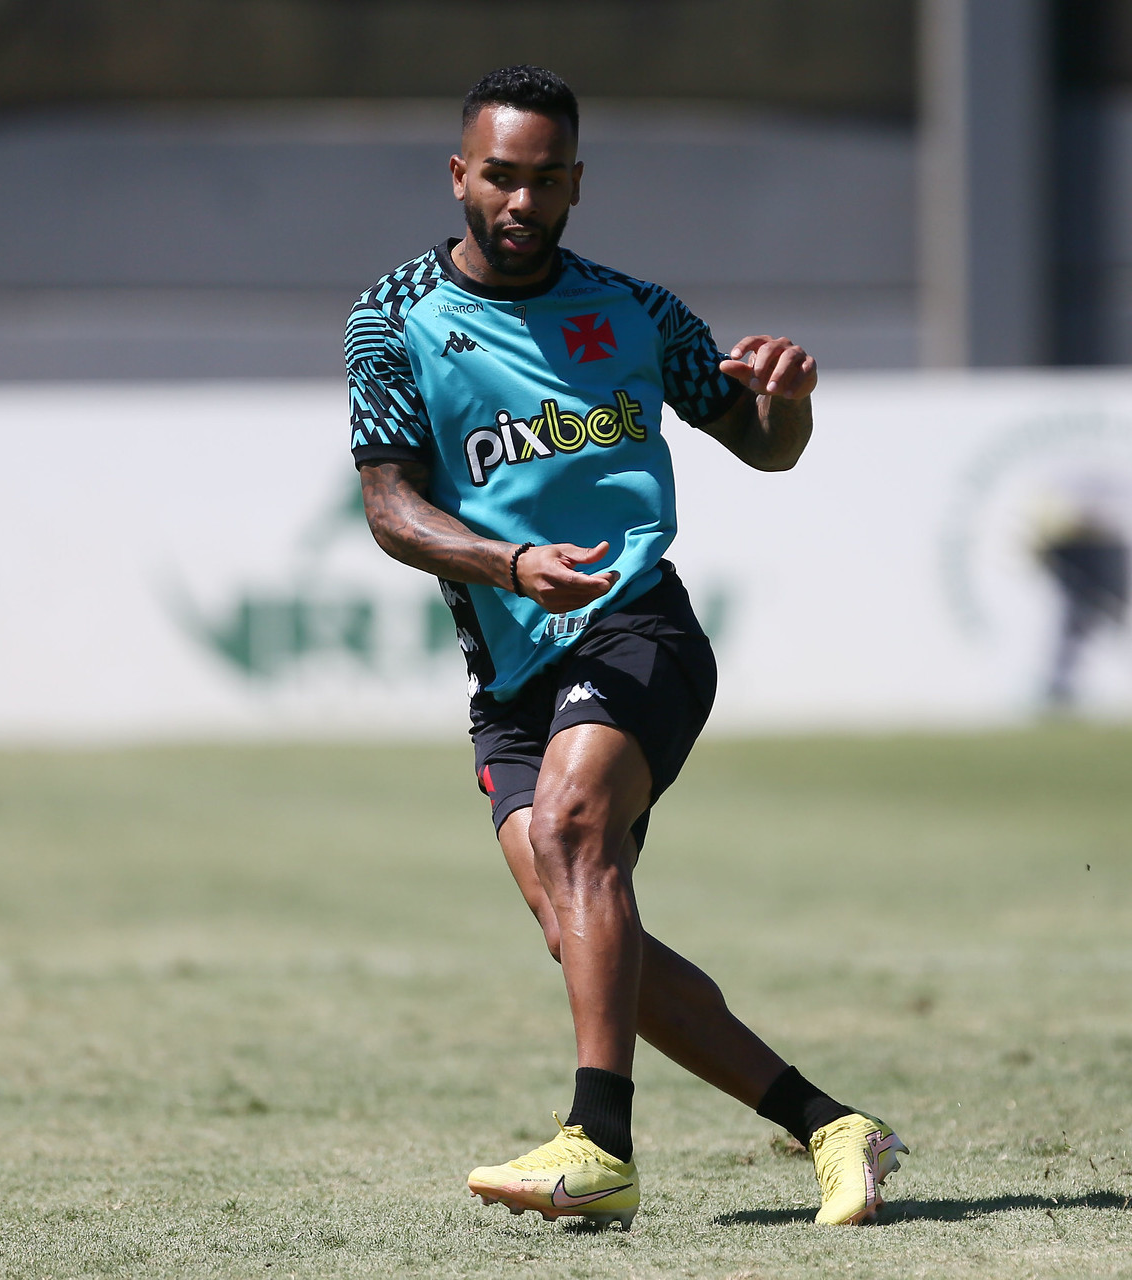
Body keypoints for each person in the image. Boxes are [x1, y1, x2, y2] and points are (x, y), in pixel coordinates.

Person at [346, 65, 907, 1230]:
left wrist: (790, 398)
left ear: (576, 185)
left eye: (546, 179)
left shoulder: (638, 312)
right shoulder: (391, 319)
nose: (521, 200)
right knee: (587, 935)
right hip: (509, 677)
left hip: (637, 624)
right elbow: (391, 508)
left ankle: (598, 1141)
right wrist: (509, 564)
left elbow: (761, 444)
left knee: (571, 830)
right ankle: (830, 1123)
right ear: (458, 174)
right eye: (500, 175)